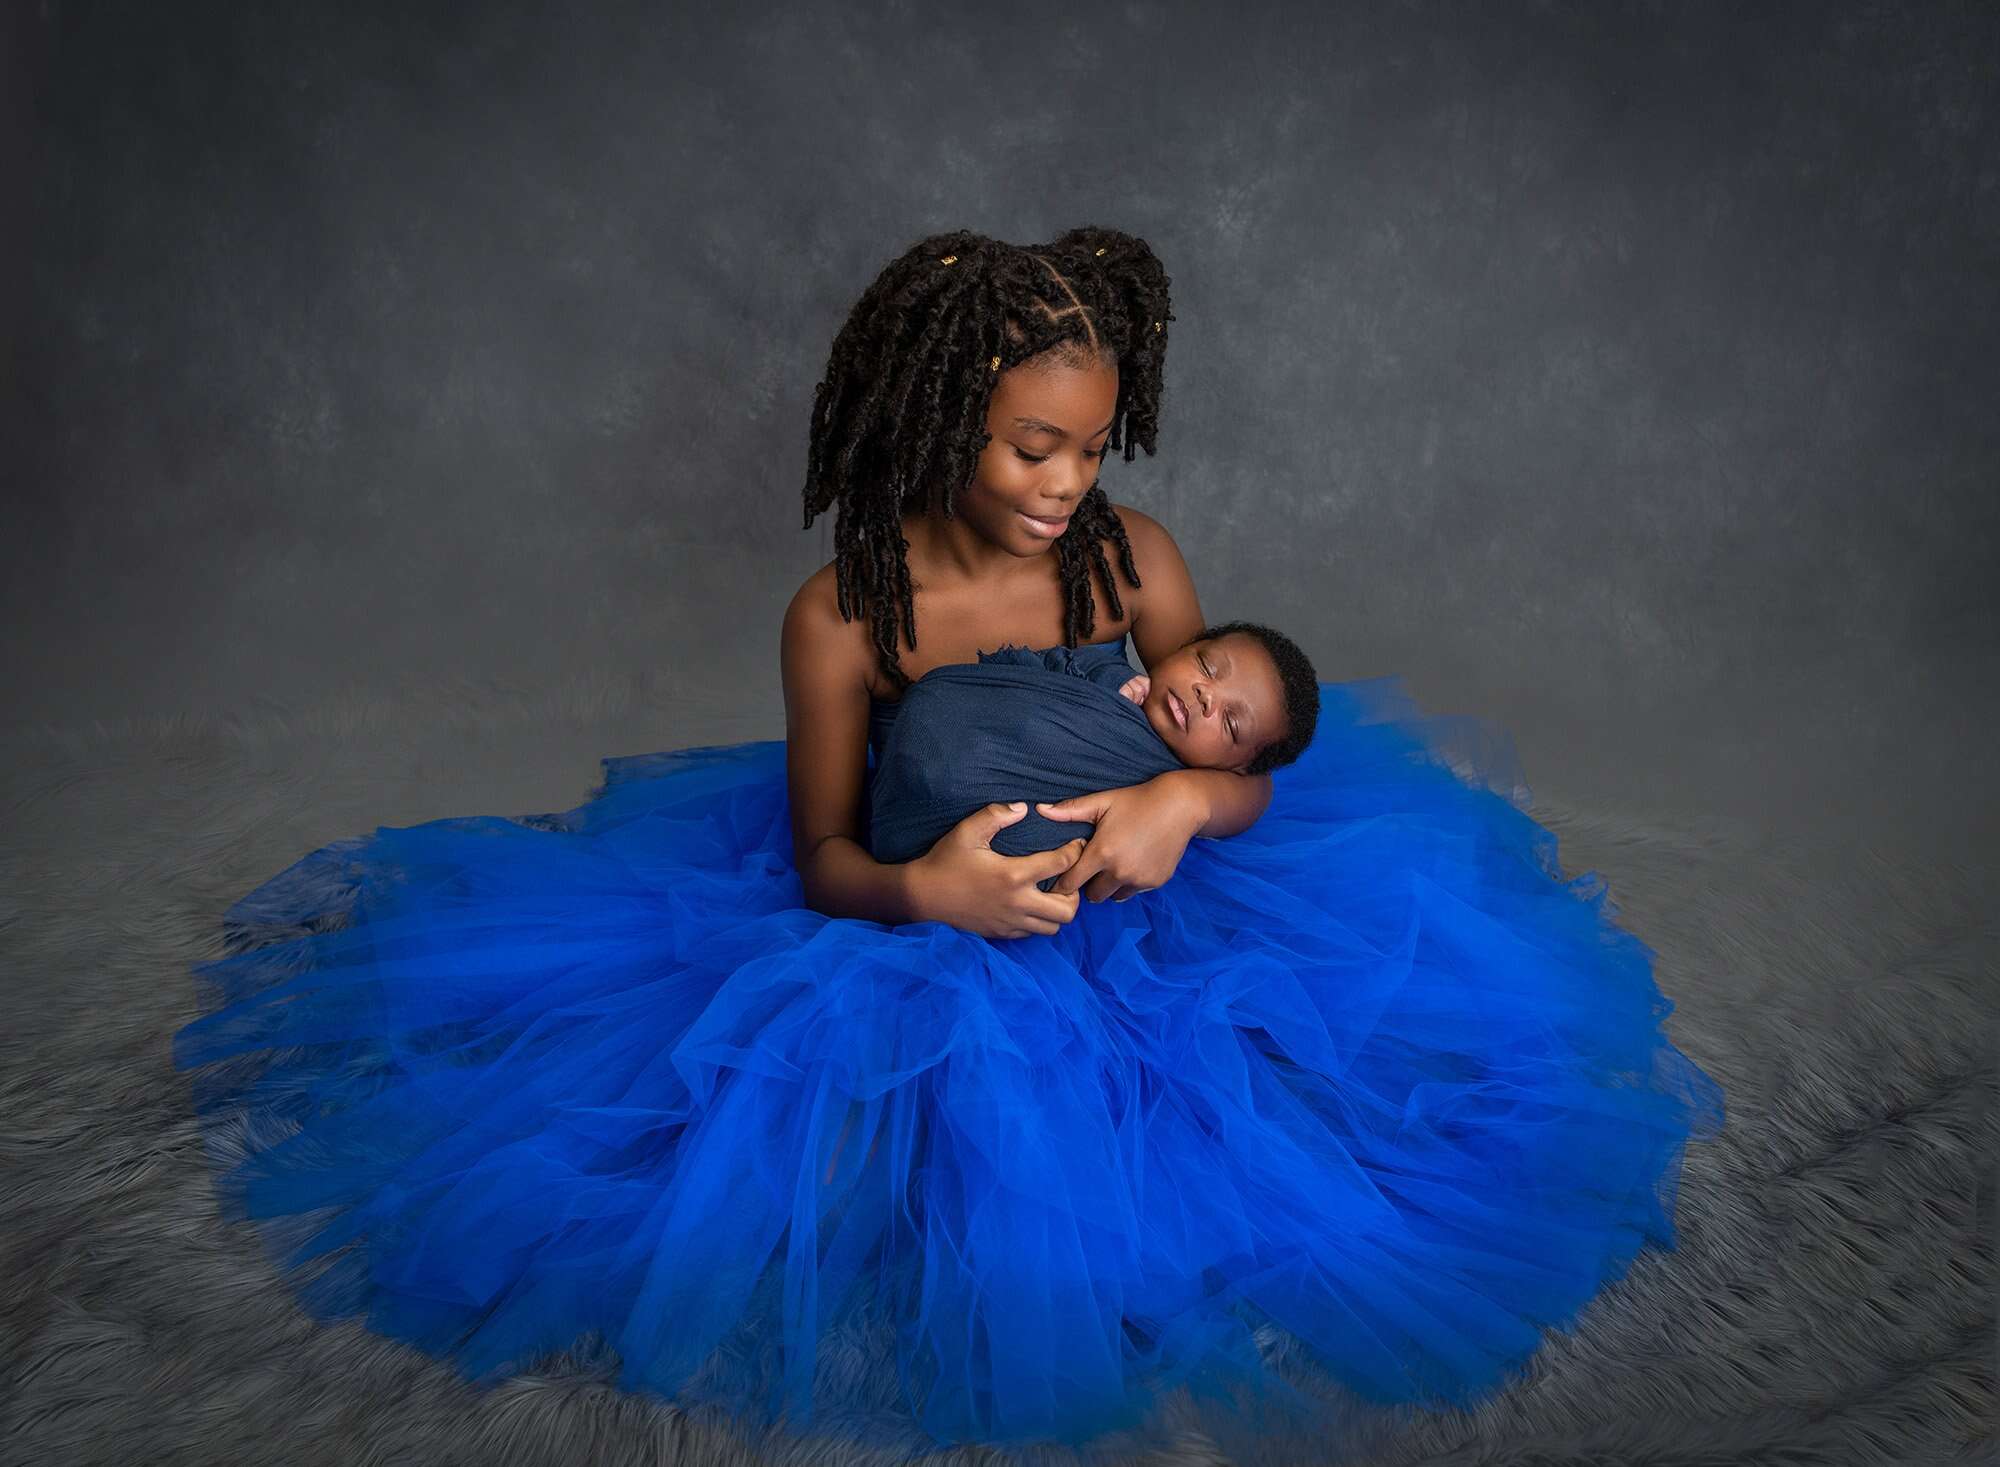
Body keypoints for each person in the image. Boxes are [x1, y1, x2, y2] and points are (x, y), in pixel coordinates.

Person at [173, 227, 1725, 1457]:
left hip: (1142, 914)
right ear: (941, 420)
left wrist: (1186, 799)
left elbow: (1229, 752)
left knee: (1307, 1124)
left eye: (1094, 450)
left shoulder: (1136, 565)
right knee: (876, 1154)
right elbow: (823, 862)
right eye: (1030, 448)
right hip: (932, 911)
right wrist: (928, 888)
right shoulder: (844, 614)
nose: (1066, 487)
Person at [862, 620, 1321, 870]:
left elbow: (1253, 793)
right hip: (934, 733)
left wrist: (1184, 796)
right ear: (1183, 647)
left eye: (1231, 723)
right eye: (1206, 665)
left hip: (987, 856)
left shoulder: (1172, 780)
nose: (1206, 696)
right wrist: (1110, 675)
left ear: (1237, 768)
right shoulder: (1117, 684)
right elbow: (1045, 664)